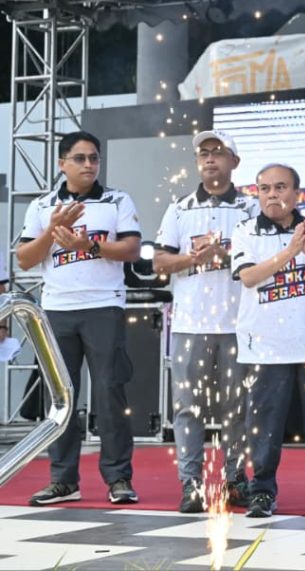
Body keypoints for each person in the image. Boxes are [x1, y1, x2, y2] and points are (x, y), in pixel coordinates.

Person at [16, 130, 142, 505]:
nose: (89, 165)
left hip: (104, 306)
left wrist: (88, 245)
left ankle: (118, 478)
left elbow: (132, 250)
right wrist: (53, 233)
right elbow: (25, 259)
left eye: (94, 158)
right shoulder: (42, 206)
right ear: (62, 163)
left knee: (110, 392)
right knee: (61, 397)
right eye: (80, 158)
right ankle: (63, 480)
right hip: (57, 310)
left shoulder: (116, 200)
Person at [153, 130, 260, 513]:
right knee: (188, 408)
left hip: (238, 323)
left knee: (238, 407)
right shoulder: (179, 209)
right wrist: (194, 259)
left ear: (235, 161)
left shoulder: (251, 208)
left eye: (218, 152)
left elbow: (263, 261)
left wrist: (224, 255)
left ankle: (235, 478)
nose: (210, 158)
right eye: (204, 153)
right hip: (190, 323)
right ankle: (191, 484)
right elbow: (160, 262)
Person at [230, 164, 305, 518]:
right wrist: (290, 252)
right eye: (264, 189)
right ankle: (262, 492)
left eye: (280, 187)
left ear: (296, 194)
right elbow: (249, 277)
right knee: (264, 428)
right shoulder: (245, 230)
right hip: (264, 347)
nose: (272, 195)